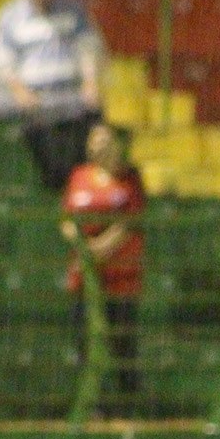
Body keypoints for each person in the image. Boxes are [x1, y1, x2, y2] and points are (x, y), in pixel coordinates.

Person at [0, 0, 106, 191]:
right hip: (33, 105)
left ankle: (81, 192)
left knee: (92, 125)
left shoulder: (75, 10)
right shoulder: (10, 16)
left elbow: (89, 49)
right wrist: (20, 92)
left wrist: (90, 83)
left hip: (71, 99)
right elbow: (1, 62)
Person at [61, 122, 146, 417]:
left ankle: (129, 407)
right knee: (86, 344)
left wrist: (97, 250)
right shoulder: (79, 176)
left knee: (122, 343)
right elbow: (67, 220)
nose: (98, 145)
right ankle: (94, 407)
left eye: (104, 139)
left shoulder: (130, 179)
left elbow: (129, 222)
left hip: (120, 278)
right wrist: (83, 246)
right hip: (84, 279)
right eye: (93, 139)